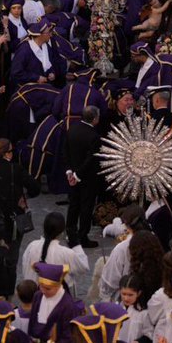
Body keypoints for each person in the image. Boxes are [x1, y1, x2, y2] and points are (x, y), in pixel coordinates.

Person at [64, 105, 101, 248]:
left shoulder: (72, 129)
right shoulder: (94, 136)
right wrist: (78, 175)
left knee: (73, 205)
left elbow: (65, 151)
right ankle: (83, 236)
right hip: (87, 178)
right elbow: (90, 160)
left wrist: (70, 173)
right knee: (86, 207)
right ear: (95, 119)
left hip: (72, 176)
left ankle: (70, 233)